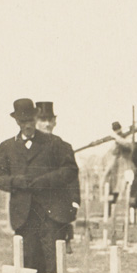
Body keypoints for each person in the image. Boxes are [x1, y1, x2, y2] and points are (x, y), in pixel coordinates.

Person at [0, 99, 79, 273]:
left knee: (52, 257)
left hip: (51, 212)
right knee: (27, 257)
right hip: (24, 213)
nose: (28, 124)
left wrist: (45, 180)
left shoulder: (54, 143)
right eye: (23, 121)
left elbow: (70, 170)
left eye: (31, 120)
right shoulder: (7, 147)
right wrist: (16, 182)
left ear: (36, 118)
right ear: (17, 122)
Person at [35, 101, 79, 258]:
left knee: (54, 255)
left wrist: (74, 201)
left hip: (57, 211)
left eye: (49, 120)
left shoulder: (64, 146)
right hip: (32, 210)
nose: (46, 124)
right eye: (42, 120)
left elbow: (72, 177)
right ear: (35, 121)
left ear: (55, 122)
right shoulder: (26, 147)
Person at [104, 121, 133, 215]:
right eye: (115, 130)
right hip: (116, 169)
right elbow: (112, 152)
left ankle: (131, 215)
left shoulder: (127, 137)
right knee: (113, 191)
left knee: (129, 190)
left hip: (126, 167)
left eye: (118, 129)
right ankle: (110, 213)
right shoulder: (115, 141)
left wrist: (117, 138)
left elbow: (128, 145)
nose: (117, 131)